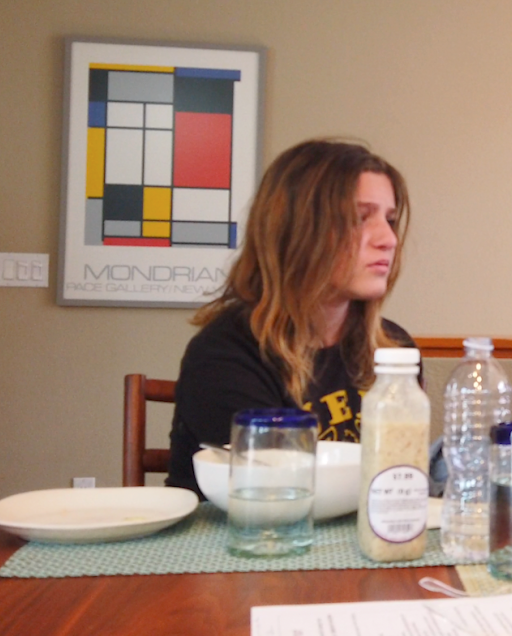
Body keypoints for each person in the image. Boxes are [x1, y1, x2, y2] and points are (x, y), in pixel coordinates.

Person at [167, 139, 415, 497]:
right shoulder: (224, 356)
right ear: (297, 230)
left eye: (390, 220)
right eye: (361, 219)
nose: (388, 239)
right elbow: (276, 493)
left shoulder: (396, 352)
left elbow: (401, 480)